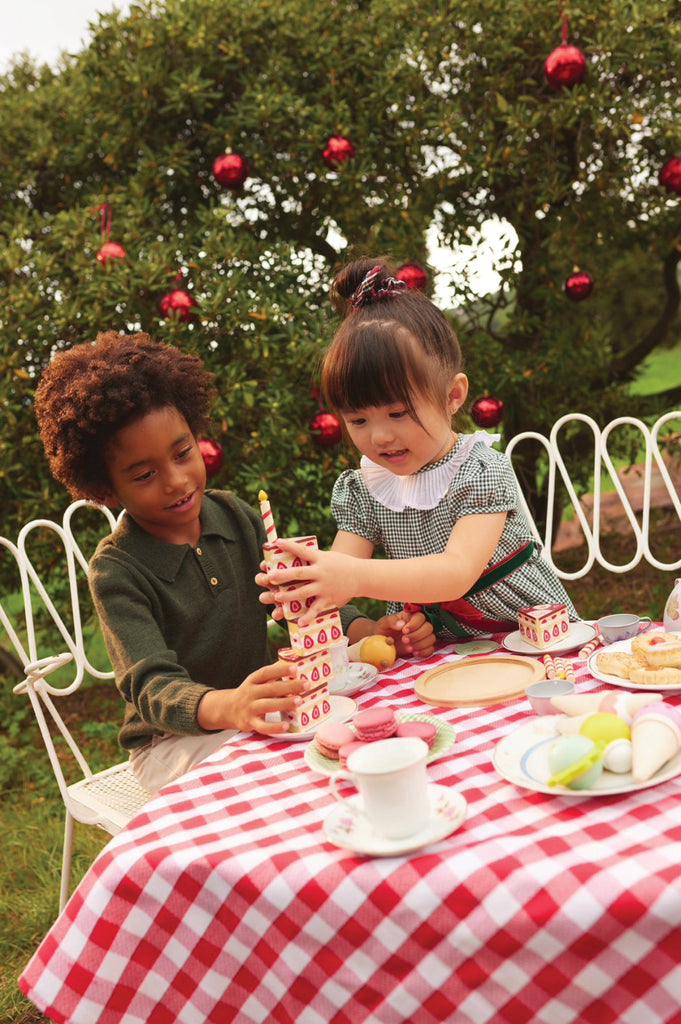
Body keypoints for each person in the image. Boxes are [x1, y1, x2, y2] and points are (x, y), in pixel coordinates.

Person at [34, 331, 309, 794]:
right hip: (169, 743)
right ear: (105, 490)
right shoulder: (117, 570)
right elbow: (151, 685)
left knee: (324, 740)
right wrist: (230, 707)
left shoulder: (236, 517)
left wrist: (362, 629)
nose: (177, 481)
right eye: (144, 475)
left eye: (183, 453)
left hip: (254, 714)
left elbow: (297, 596)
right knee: (272, 776)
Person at [261, 258, 578, 639]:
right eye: (358, 420)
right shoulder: (364, 489)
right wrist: (306, 581)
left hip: (531, 637)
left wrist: (352, 576)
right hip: (446, 659)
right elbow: (340, 567)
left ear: (452, 396)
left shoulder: (479, 470)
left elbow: (456, 573)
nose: (379, 437)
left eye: (398, 412)